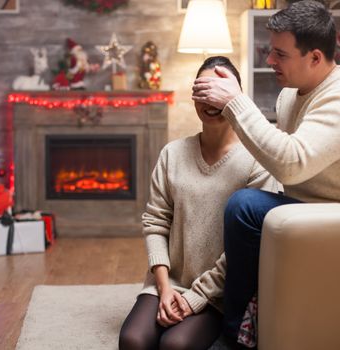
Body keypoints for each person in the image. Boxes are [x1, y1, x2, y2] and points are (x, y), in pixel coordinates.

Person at [191, 0, 340, 345]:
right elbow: (278, 154)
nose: (269, 61)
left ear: (315, 57)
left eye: (280, 54)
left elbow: (290, 161)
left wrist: (235, 101)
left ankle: (232, 337)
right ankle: (228, 310)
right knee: (243, 201)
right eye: (270, 51)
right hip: (314, 210)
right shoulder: (291, 96)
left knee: (244, 206)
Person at [118, 56, 279, 350]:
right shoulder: (172, 154)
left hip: (215, 294)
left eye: (218, 90)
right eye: (202, 91)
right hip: (169, 282)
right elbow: (155, 223)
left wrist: (194, 299)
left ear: (235, 96)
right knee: (132, 341)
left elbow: (249, 245)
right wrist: (164, 288)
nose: (210, 100)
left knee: (175, 345)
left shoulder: (258, 160)